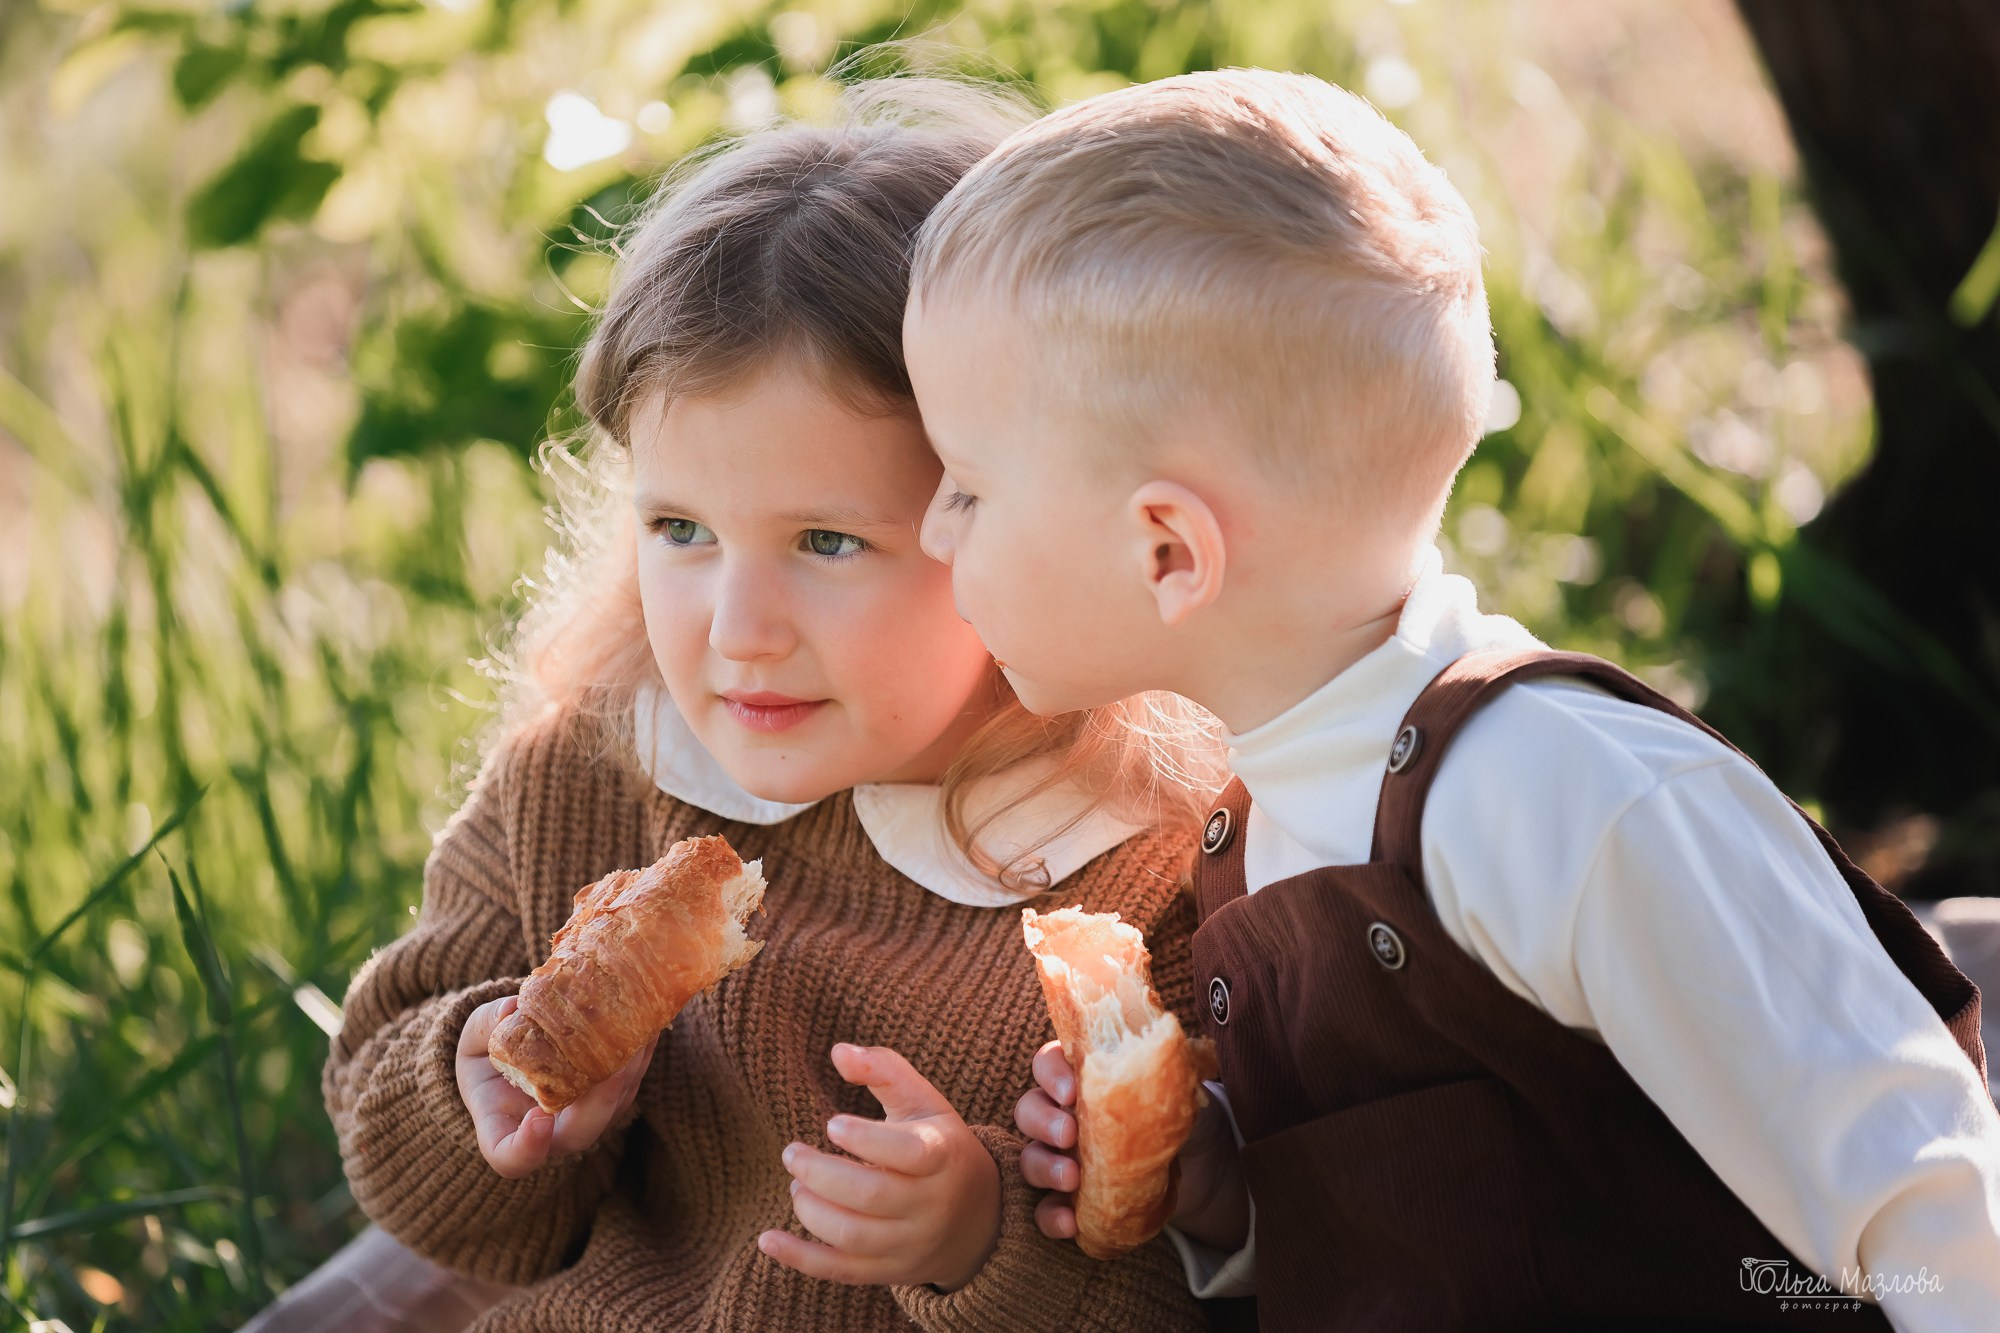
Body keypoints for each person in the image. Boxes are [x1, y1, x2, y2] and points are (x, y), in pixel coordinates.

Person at [904, 68, 2000, 1330]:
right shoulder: (1262, 816)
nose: (934, 531)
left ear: (1168, 553)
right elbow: (1452, 1224)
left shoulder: (1559, 798)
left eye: (968, 486)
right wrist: (1227, 1189)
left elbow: (1920, 1194)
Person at [315, 79, 1224, 1333]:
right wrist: (479, 1079)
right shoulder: (592, 769)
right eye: (680, 529)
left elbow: (1195, 1281)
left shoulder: (1132, 872)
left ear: (1020, 519)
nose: (735, 628)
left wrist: (981, 1239)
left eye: (827, 542)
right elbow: (429, 1186)